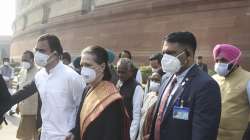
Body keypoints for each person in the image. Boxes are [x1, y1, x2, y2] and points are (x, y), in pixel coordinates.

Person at [0, 34, 86, 140]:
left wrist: (75, 131)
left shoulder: (72, 78)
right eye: (36, 50)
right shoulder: (40, 75)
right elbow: (24, 92)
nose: (37, 54)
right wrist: (4, 104)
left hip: (65, 135)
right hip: (45, 133)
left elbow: (83, 107)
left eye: (42, 51)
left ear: (55, 54)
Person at [144, 32, 221, 140]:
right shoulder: (166, 78)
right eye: (164, 53)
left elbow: (203, 134)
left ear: (188, 54)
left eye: (170, 53)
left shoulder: (206, 86)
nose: (165, 58)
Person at [66, 45, 128, 140]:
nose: (83, 69)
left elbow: (112, 134)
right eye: (82, 65)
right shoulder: (86, 90)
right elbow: (80, 122)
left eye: (88, 65)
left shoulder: (112, 98)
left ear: (102, 66)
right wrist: (73, 134)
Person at [212, 44, 250, 140]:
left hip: (238, 136)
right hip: (213, 134)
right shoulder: (213, 79)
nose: (219, 63)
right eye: (217, 60)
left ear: (235, 60)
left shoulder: (248, 79)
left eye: (224, 60)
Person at [116, 58, 144, 140]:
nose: (120, 75)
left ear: (131, 72)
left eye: (123, 72)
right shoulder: (119, 83)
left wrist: (131, 137)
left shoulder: (137, 88)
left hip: (128, 132)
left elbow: (136, 115)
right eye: (118, 71)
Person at [16, 51, 39, 140]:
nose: (24, 62)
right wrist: (18, 104)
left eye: (26, 59)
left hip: (33, 113)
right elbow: (20, 88)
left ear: (32, 60)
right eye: (22, 60)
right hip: (23, 111)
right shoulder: (22, 71)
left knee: (28, 137)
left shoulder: (39, 73)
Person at [137, 72, 161, 140]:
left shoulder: (160, 100)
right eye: (152, 80)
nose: (153, 82)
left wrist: (150, 134)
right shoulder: (148, 95)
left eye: (156, 80)